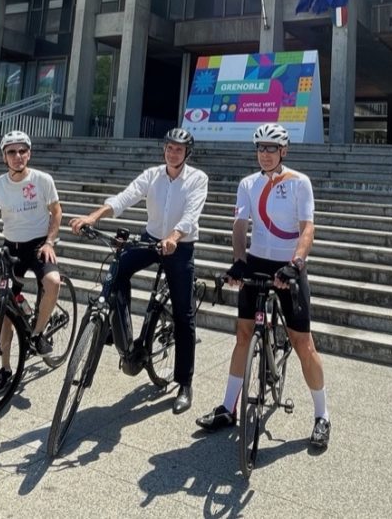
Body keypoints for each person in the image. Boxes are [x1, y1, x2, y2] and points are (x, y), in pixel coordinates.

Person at [196, 123, 331, 451]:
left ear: (283, 151)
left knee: (303, 343)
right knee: (243, 335)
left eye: (272, 148)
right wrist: (239, 260)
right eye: (260, 149)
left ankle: (322, 415)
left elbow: (307, 228)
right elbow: (240, 225)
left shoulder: (300, 182)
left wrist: (296, 262)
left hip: (289, 265)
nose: (265, 154)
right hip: (257, 262)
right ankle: (228, 408)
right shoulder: (247, 184)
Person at [70, 127, 208, 415]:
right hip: (150, 238)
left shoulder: (197, 179)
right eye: (169, 148)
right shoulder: (153, 175)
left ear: (187, 154)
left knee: (183, 314)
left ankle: (184, 383)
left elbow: (191, 214)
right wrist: (92, 217)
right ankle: (115, 326)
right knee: (118, 268)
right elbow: (125, 197)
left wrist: (174, 236)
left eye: (179, 149)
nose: (173, 153)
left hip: (179, 245)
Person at [0, 130, 63, 395]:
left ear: (29, 153)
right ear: (4, 157)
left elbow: (56, 211)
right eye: (12, 152)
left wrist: (50, 241)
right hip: (11, 248)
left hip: (38, 245)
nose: (18, 156)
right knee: (6, 310)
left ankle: (38, 333)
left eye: (22, 151)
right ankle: (6, 369)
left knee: (53, 282)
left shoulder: (43, 180)